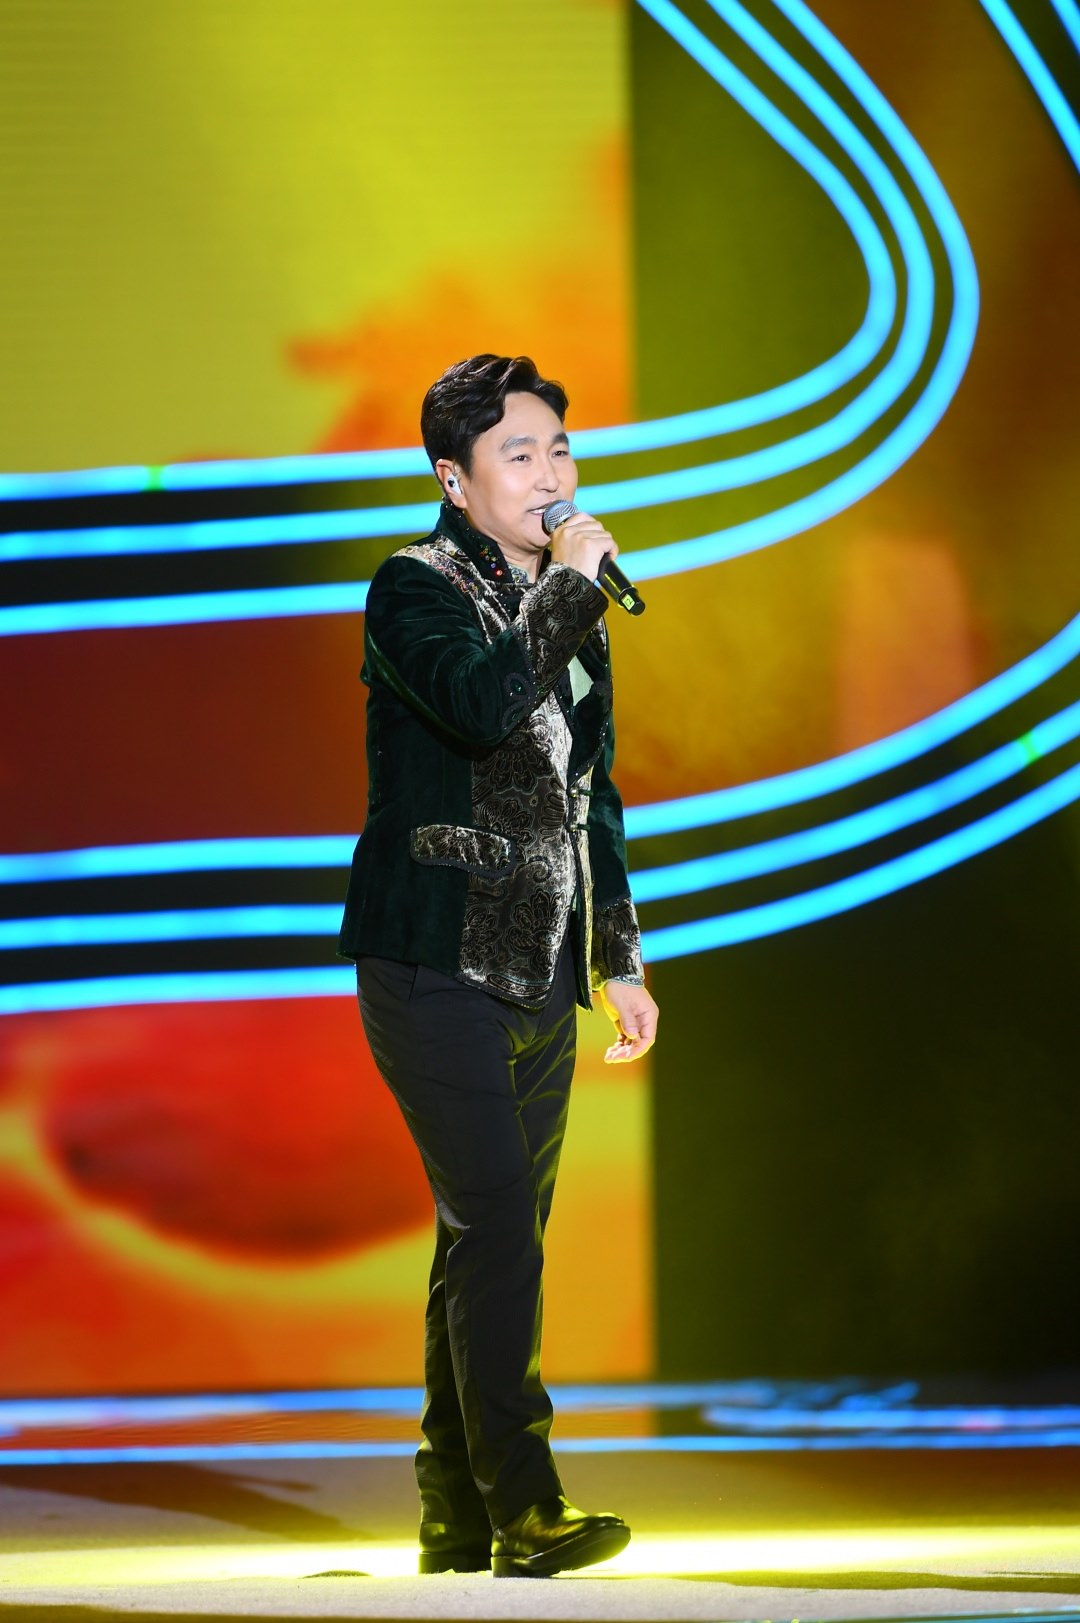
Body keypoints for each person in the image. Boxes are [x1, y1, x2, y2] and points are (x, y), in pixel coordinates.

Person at [338, 353, 659, 1579]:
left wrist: (618, 959)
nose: (549, 473)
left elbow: (593, 796)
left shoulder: (567, 614)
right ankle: (526, 1506)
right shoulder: (410, 591)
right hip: (432, 957)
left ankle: (454, 1510)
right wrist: (568, 591)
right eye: (519, 454)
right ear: (454, 479)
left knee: (487, 1236)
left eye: (559, 449)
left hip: (540, 969)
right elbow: (478, 705)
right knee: (498, 1234)